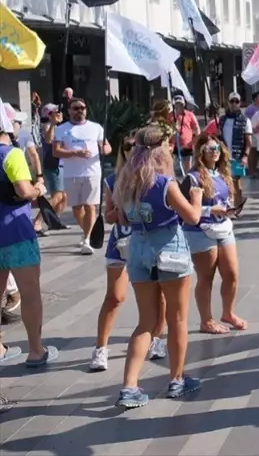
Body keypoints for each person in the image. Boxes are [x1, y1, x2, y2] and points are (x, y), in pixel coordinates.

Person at [111, 126, 204, 408]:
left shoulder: (125, 184)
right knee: (177, 319)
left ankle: (129, 387)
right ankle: (176, 380)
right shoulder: (165, 183)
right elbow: (192, 218)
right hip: (170, 250)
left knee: (146, 322)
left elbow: (124, 220)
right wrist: (197, 197)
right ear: (161, 150)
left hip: (138, 251)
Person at [91, 137, 168, 372]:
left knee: (158, 295)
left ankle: (156, 339)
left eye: (136, 145)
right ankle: (100, 349)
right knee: (115, 297)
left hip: (148, 241)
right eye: (126, 146)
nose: (132, 149)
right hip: (121, 242)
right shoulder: (113, 180)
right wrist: (123, 206)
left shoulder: (154, 179)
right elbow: (110, 217)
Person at [0, 117, 57, 367]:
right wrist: (39, 189)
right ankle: (36, 350)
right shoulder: (11, 155)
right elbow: (24, 191)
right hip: (16, 232)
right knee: (30, 292)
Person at [183, 133, 245, 334]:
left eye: (217, 149)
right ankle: (206, 320)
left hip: (223, 226)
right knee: (206, 277)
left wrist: (229, 210)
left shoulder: (222, 174)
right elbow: (184, 210)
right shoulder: (192, 177)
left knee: (232, 274)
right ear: (201, 152)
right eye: (210, 149)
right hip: (201, 230)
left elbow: (223, 201)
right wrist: (210, 210)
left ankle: (228, 312)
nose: (215, 153)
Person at [53, 97, 111, 255]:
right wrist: (75, 152)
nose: (80, 111)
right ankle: (88, 230)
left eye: (82, 108)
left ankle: (86, 239)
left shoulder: (96, 127)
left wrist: (105, 150)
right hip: (71, 173)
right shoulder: (62, 129)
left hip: (92, 172)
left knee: (90, 205)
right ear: (69, 111)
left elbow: (106, 146)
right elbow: (56, 151)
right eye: (76, 108)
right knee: (77, 208)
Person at [218, 93, 251, 211]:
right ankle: (229, 206)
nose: (234, 104)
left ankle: (237, 207)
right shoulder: (222, 120)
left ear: (240, 103)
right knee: (225, 182)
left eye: (236, 101)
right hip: (224, 156)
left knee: (236, 182)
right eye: (232, 101)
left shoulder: (245, 120)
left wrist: (245, 156)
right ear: (228, 102)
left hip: (238, 155)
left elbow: (248, 141)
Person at [173, 96, 200, 172]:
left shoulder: (190, 115)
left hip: (187, 146)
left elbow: (196, 128)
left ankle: (188, 182)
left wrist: (195, 140)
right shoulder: (171, 115)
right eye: (177, 104)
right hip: (174, 146)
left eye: (180, 104)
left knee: (188, 168)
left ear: (183, 104)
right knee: (174, 169)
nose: (178, 106)